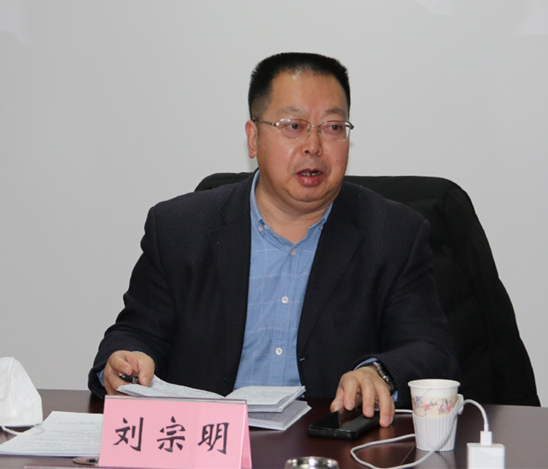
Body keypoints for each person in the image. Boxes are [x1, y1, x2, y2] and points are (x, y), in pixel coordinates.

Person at [89, 52, 460, 427]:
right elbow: (136, 332)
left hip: (330, 443)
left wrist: (379, 372)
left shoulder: (393, 233)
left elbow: (431, 349)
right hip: (208, 441)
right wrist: (127, 359)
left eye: (333, 127)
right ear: (253, 138)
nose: (314, 145)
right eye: (294, 126)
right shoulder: (179, 228)